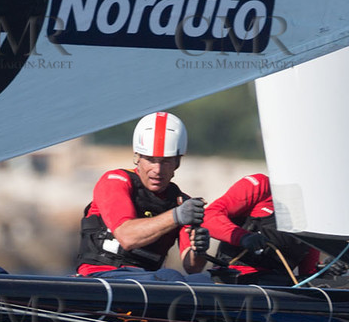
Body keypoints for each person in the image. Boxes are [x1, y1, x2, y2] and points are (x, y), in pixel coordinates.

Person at [75, 111, 209, 276]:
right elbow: (127, 237)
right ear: (137, 157)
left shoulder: (182, 203)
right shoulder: (115, 181)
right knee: (170, 276)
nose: (157, 170)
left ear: (178, 162)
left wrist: (199, 250)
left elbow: (192, 267)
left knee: (205, 280)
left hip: (146, 281)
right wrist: (175, 217)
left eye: (166, 161)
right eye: (150, 160)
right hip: (101, 275)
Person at [197, 173, 320, 283]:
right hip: (234, 279)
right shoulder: (260, 185)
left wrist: (328, 270)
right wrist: (243, 237)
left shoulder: (315, 211)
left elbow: (309, 274)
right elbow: (209, 215)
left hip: (278, 287)